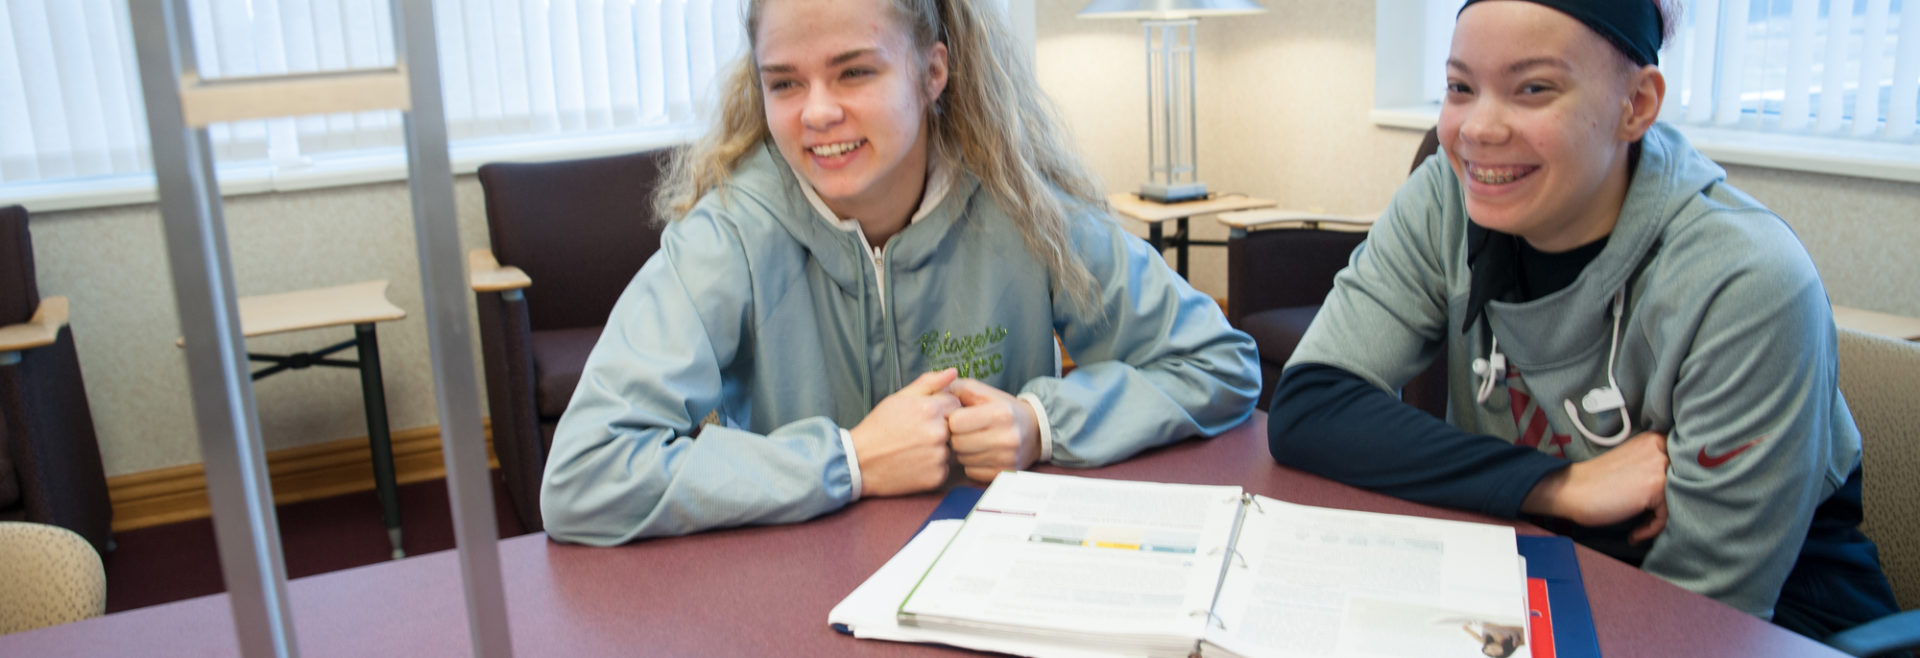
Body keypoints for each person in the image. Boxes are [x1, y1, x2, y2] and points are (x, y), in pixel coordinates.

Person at [1266, 0, 1898, 641]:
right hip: (1537, 586)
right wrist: (1560, 486)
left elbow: (1695, 615)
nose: (1478, 128)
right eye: (1460, 87)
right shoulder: (1445, 200)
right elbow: (1312, 407)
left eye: (1533, 88)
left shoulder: (1747, 281)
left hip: (1763, 632)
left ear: (1637, 104)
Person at [540, 0, 1259, 545]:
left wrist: (1042, 423)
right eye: (785, 83)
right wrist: (847, 460)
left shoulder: (1021, 208)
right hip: (797, 587)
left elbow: (1219, 363)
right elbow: (585, 474)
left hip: (994, 574)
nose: (818, 112)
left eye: (855, 70)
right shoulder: (727, 236)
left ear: (932, 71)